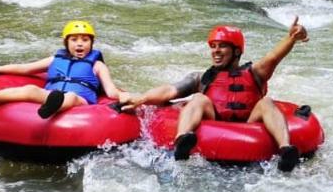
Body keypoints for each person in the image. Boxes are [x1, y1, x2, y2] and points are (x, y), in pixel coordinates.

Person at [121, 18, 309, 172]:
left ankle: (286, 150)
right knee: (198, 98)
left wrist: (292, 37)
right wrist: (142, 98)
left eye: (222, 47)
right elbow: (169, 91)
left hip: (249, 122)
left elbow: (274, 56)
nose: (215, 51)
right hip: (215, 120)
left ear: (236, 51)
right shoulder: (203, 78)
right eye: (213, 46)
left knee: (266, 101)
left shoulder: (256, 73)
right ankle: (182, 140)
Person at [0, 20, 129, 118]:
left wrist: (129, 96)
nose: (80, 44)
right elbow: (24, 68)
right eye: (74, 40)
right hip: (51, 94)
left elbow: (111, 91)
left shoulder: (97, 65)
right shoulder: (55, 59)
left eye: (85, 40)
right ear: (66, 43)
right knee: (31, 89)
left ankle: (53, 107)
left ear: (91, 43)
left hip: (81, 100)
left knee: (71, 96)